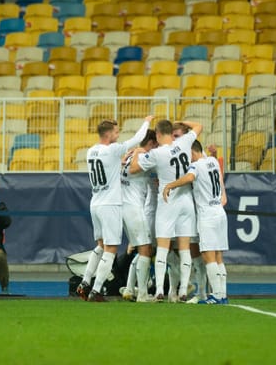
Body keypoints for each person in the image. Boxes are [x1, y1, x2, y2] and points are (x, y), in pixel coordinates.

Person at [77, 115, 154, 302]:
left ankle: (85, 282)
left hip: (95, 202)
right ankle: (96, 290)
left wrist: (119, 163)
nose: (118, 135)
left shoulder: (91, 151)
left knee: (100, 246)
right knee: (111, 248)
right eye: (117, 132)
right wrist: (146, 121)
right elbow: (136, 140)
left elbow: (106, 168)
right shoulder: (113, 150)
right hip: (110, 204)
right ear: (109, 134)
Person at [129, 119, 203, 302]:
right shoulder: (185, 142)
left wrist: (138, 153)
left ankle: (160, 290)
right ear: (172, 132)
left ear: (158, 133)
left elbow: (133, 169)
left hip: (167, 201)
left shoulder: (156, 153)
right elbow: (199, 126)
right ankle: (183, 291)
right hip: (186, 201)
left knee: (162, 248)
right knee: (184, 248)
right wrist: (182, 122)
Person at [163, 139, 229, 304]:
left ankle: (216, 296)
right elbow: (214, 166)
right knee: (219, 256)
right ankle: (223, 295)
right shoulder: (212, 161)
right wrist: (214, 153)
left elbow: (190, 177)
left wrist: (170, 185)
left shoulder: (196, 166)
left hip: (207, 215)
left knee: (208, 255)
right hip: (220, 212)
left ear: (192, 152)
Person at [120, 129, 158, 302]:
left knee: (142, 249)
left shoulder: (128, 156)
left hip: (123, 207)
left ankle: (131, 288)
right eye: (155, 145)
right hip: (134, 208)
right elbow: (136, 169)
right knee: (145, 250)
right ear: (150, 143)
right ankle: (142, 294)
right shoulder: (142, 157)